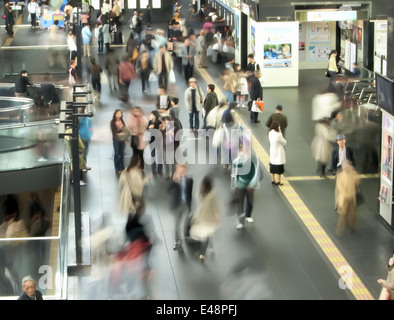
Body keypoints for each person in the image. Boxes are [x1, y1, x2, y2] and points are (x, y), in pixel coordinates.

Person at [232, 139, 262, 230]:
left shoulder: (253, 158)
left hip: (250, 184)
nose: (245, 148)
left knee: (250, 200)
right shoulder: (239, 158)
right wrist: (235, 183)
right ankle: (241, 221)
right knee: (240, 202)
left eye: (246, 147)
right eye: (243, 147)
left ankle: (248, 214)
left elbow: (257, 172)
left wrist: (252, 184)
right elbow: (236, 171)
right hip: (240, 183)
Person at [189, 176, 220, 262]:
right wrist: (217, 220)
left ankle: (204, 252)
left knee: (205, 235)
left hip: (201, 218)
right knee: (207, 235)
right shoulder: (213, 195)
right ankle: (206, 251)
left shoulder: (200, 193)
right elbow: (215, 210)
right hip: (209, 220)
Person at [168, 163, 194, 252]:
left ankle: (184, 237)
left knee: (184, 224)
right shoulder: (176, 181)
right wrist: (174, 181)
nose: (181, 172)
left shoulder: (190, 180)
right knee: (177, 225)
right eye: (179, 170)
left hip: (185, 206)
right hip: (177, 206)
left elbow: (190, 195)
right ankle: (178, 242)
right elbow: (168, 190)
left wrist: (190, 208)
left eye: (183, 170)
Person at [334, 160, 360, 236]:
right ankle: (339, 230)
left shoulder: (353, 174)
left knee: (352, 213)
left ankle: (351, 225)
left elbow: (357, 181)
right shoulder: (340, 176)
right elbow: (340, 188)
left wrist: (357, 177)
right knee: (343, 215)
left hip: (351, 197)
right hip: (344, 198)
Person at [128, 106, 148, 171]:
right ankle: (134, 165)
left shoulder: (143, 118)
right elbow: (129, 127)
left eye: (138, 111)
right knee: (135, 153)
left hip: (141, 137)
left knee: (141, 153)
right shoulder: (131, 118)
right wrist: (134, 122)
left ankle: (142, 167)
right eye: (135, 111)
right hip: (134, 137)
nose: (137, 113)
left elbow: (145, 126)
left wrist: (141, 130)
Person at [110, 109, 129, 175]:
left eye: (120, 113)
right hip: (116, 140)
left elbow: (125, 130)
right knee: (117, 154)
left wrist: (124, 135)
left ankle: (122, 168)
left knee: (122, 154)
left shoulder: (122, 121)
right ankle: (117, 168)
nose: (119, 115)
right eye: (117, 113)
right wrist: (120, 130)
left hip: (122, 140)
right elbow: (114, 131)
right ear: (115, 114)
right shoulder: (112, 122)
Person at [268, 121, 286, 186]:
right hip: (278, 153)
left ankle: (273, 180)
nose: (279, 127)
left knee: (272, 167)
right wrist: (280, 132)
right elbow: (284, 142)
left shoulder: (270, 133)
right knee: (279, 168)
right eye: (279, 126)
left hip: (272, 151)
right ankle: (279, 181)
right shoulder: (279, 135)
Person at [147, 110, 163, 176]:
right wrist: (149, 128)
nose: (150, 116)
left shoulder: (159, 122)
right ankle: (153, 170)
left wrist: (153, 128)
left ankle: (159, 169)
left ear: (154, 115)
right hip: (151, 141)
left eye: (151, 114)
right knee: (152, 155)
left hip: (158, 141)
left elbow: (160, 132)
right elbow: (147, 131)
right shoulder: (149, 122)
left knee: (159, 155)